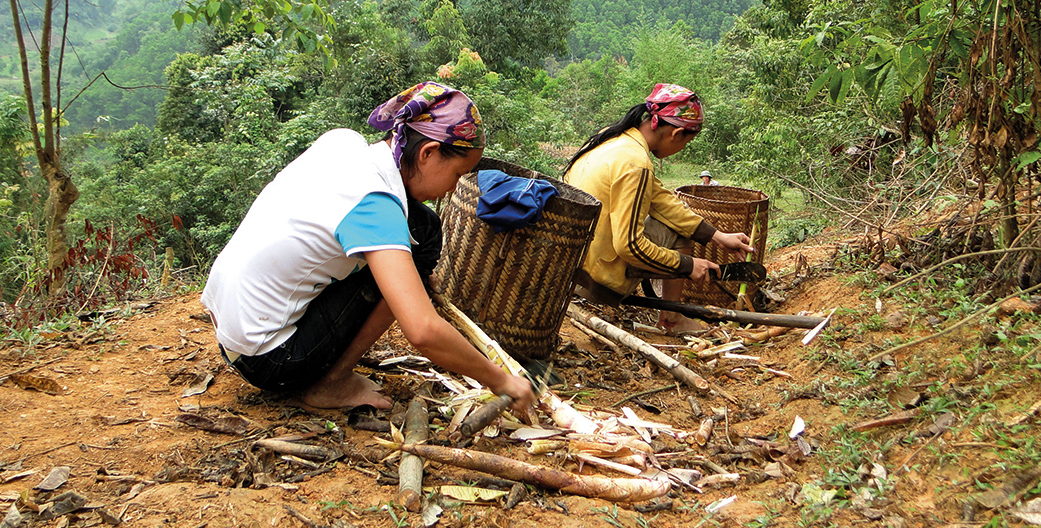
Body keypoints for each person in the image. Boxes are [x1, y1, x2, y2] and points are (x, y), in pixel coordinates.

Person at [201, 82, 536, 414]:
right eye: (458, 173)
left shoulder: (344, 143)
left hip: (232, 331)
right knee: (419, 242)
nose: (451, 188)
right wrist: (502, 381)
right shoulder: (375, 208)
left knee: (422, 227)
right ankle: (333, 382)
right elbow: (422, 331)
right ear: (428, 153)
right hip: (270, 358)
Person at [563, 84, 754, 334]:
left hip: (572, 264)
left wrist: (717, 237)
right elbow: (629, 245)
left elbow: (661, 200)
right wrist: (687, 265)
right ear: (675, 134)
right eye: (687, 142)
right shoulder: (636, 163)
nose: (683, 149)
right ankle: (671, 320)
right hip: (595, 278)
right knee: (679, 234)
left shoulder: (614, 139)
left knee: (676, 222)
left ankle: (670, 316)